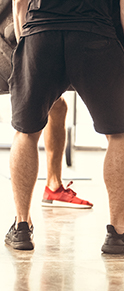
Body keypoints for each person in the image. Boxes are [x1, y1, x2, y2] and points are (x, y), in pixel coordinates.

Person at [5, 0, 124, 254]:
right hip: (94, 36)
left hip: (40, 34)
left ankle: (21, 227)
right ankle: (118, 233)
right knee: (118, 134)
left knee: (26, 132)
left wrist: (25, 48)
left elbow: (19, 3)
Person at [12, 0, 93, 209]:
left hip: (40, 34)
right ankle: (26, 215)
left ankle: (53, 186)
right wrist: (25, 54)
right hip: (32, 35)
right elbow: (19, 3)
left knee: (57, 106)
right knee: (30, 125)